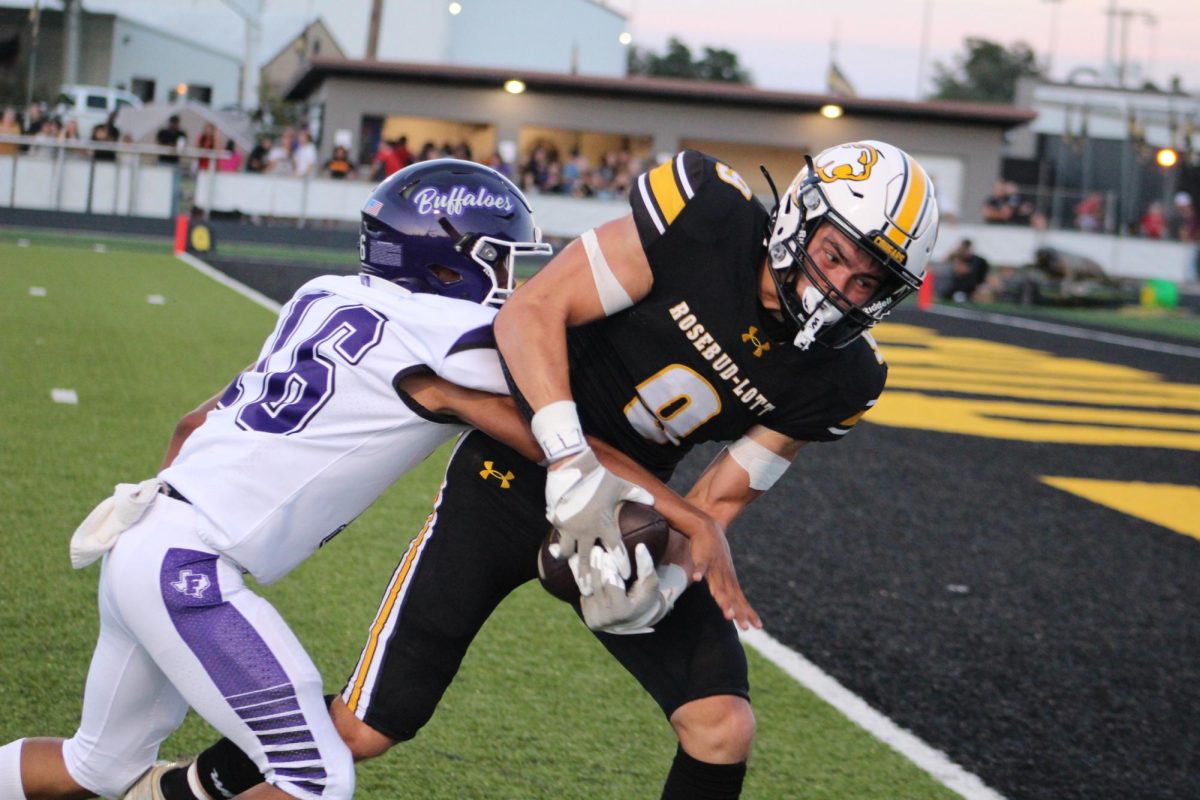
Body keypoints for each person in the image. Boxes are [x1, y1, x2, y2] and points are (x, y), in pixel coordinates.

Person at [136, 140, 939, 800]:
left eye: (870, 279)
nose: (842, 286)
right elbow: (532, 311)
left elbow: (717, 499)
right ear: (801, 216)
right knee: (367, 729)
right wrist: (568, 461)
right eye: (837, 255)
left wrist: (653, 576)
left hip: (626, 504)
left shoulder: (843, 377)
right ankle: (198, 787)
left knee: (723, 727)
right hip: (512, 476)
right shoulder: (705, 218)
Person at [2, 160, 718, 800]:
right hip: (184, 572)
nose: (513, 284)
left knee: (95, 767)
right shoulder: (446, 339)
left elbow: (192, 425)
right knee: (317, 780)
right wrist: (688, 512)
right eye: (498, 261)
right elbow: (559, 432)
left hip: (142, 538)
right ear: (447, 265)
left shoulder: (323, 295)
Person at [940, 238, 990, 302]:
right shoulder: (958, 257)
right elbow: (945, 260)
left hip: (971, 288)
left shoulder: (978, 261)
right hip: (958, 288)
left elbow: (966, 270)